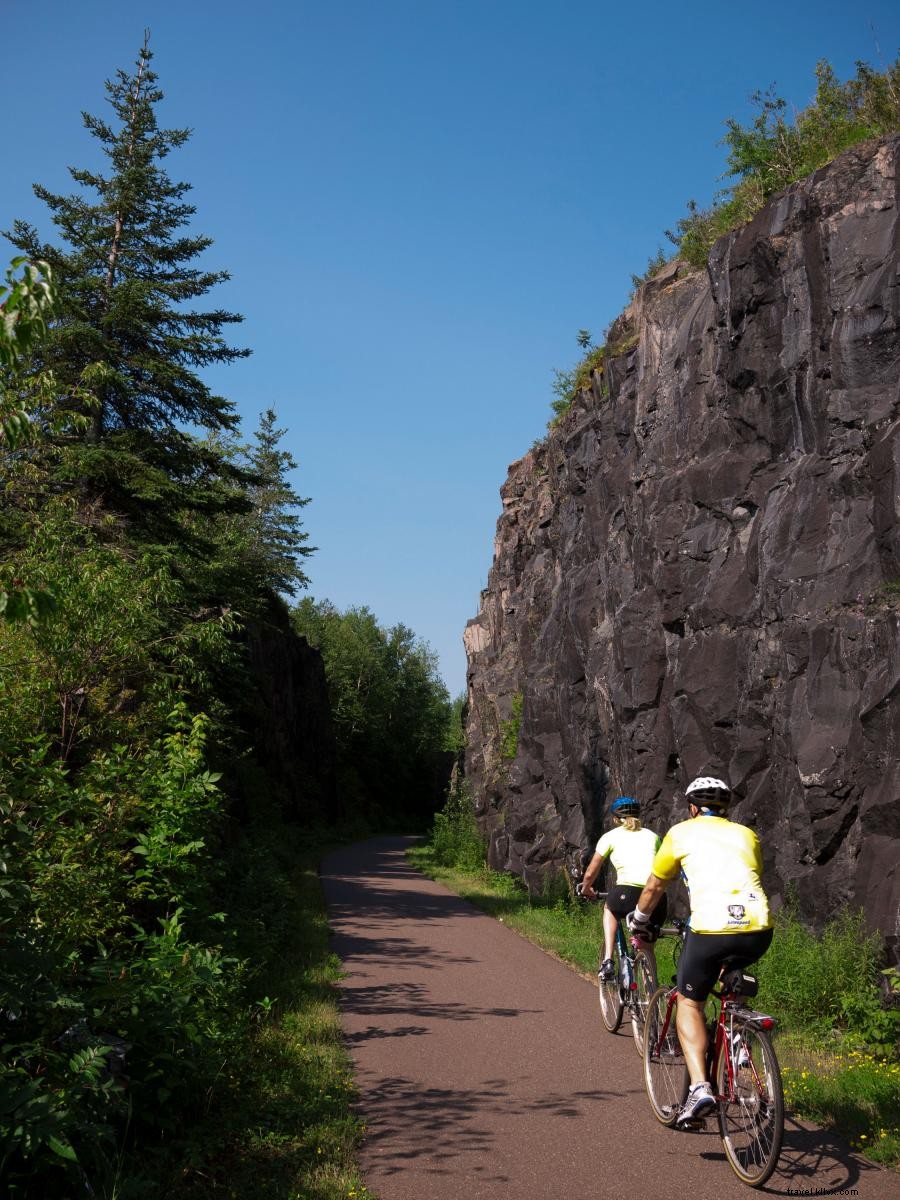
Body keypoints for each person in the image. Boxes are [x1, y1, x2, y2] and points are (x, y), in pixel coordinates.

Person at [627, 775, 773, 1126]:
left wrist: (639, 919)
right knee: (729, 982)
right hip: (758, 927)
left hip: (709, 928)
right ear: (725, 809)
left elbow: (655, 884)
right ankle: (738, 1036)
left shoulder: (680, 833)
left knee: (691, 1002)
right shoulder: (747, 835)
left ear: (693, 808)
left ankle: (700, 1087)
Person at [580, 796, 668, 980]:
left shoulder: (611, 837)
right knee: (647, 948)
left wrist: (586, 888)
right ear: (639, 816)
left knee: (609, 909)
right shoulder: (653, 836)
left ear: (615, 818)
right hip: (655, 898)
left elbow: (591, 872)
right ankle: (652, 1001)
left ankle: (608, 960)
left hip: (626, 893)